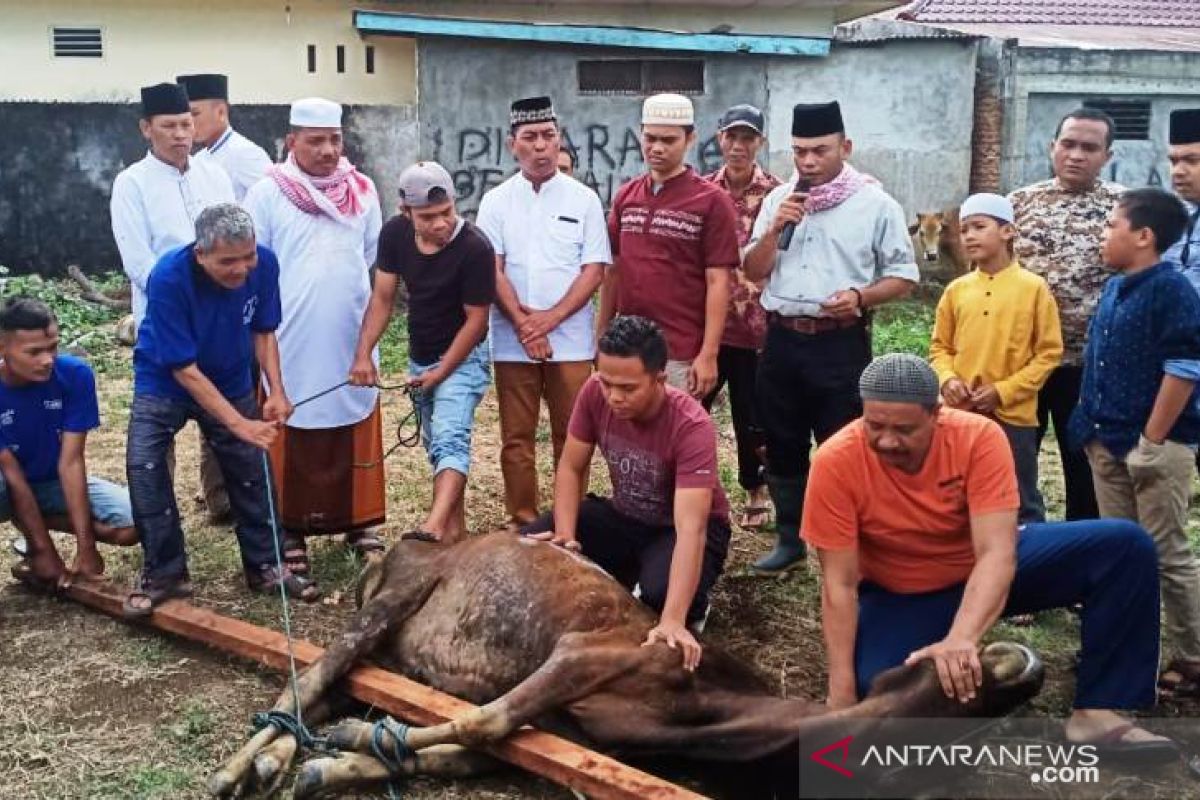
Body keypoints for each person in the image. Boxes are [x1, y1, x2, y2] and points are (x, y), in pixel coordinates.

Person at [805, 353, 1176, 757]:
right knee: (878, 692)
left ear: (936, 414)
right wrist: (840, 698)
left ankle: (1097, 712)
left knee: (1125, 546)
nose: (888, 440)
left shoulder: (977, 437)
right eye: (875, 426)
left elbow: (997, 551)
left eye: (904, 429)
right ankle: (981, 673)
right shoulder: (836, 460)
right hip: (904, 590)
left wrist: (961, 638)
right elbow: (839, 584)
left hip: (988, 565)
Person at [742, 101, 918, 574]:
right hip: (782, 340)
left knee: (844, 442)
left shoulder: (875, 204)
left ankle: (847, 544)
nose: (808, 162)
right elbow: (752, 271)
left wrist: (861, 297)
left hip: (839, 343)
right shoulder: (779, 201)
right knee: (781, 440)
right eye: (799, 152)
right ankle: (789, 539)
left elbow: (903, 276)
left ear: (845, 147)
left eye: (819, 151)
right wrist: (775, 227)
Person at [123, 203, 316, 616]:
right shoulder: (169, 277)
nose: (242, 269)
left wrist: (275, 390)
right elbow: (183, 369)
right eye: (228, 262)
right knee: (145, 467)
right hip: (164, 379)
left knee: (251, 471)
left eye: (247, 257)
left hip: (229, 374)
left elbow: (263, 331)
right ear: (201, 253)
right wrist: (239, 424)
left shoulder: (264, 263)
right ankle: (165, 574)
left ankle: (267, 566)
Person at [523, 316, 731, 665]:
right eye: (607, 384)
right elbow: (572, 467)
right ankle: (632, 572)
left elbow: (691, 529)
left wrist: (673, 620)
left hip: (683, 528)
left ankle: (692, 602)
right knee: (531, 548)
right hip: (625, 514)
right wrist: (565, 534)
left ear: (660, 380)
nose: (614, 397)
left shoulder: (692, 425)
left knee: (659, 594)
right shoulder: (593, 394)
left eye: (628, 388)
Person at [242, 97, 386, 573]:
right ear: (291, 142)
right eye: (315, 140)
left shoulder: (362, 189)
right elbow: (254, 265)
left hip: (350, 329)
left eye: (334, 139)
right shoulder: (268, 192)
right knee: (292, 414)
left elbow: (370, 257)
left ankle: (360, 521)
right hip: (290, 333)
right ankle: (291, 527)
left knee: (354, 409)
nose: (327, 150)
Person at [1069, 188, 1200, 698]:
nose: (1102, 235)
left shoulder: (1171, 291)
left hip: (1154, 449)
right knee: (1121, 554)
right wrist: (1089, 430)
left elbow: (1185, 368)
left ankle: (1191, 659)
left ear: (1144, 236)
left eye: (1110, 226)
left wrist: (1152, 441)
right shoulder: (1115, 287)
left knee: (1166, 552)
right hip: (1106, 441)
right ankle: (1123, 651)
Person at [476, 97, 610, 529]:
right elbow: (491, 268)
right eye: (530, 137)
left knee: (572, 434)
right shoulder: (495, 201)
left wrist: (547, 321)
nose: (541, 146)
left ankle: (568, 520)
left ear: (559, 140)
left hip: (569, 341)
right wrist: (523, 324)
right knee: (516, 438)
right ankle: (523, 520)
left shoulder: (584, 199)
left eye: (548, 136)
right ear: (512, 144)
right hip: (512, 341)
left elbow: (595, 270)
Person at [110, 82, 236, 524]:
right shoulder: (131, 184)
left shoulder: (214, 175)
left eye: (186, 123)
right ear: (147, 128)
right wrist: (189, 296)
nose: (181, 134)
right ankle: (157, 516)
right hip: (163, 323)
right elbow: (139, 264)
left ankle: (223, 501)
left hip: (217, 320)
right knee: (156, 427)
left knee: (221, 414)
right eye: (169, 126)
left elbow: (234, 243)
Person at [350, 161, 495, 543]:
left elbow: (476, 321)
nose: (441, 224)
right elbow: (382, 298)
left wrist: (443, 372)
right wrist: (363, 353)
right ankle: (455, 534)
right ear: (406, 212)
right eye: (428, 217)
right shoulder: (394, 235)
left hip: (464, 356)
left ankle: (433, 527)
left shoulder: (475, 247)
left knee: (450, 438)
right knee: (438, 448)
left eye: (446, 212)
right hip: (420, 352)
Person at [1009, 108, 1124, 522]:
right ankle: (1021, 549)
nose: (1076, 155)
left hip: (1092, 365)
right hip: (1024, 363)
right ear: (1051, 147)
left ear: (1107, 156)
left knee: (1086, 467)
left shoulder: (1124, 208)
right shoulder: (1018, 204)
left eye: (1089, 148)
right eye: (1068, 144)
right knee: (1015, 463)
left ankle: (1082, 554)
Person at [930, 193, 1062, 523]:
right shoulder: (957, 290)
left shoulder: (1033, 288)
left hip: (1012, 415)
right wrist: (948, 380)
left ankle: (1028, 567)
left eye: (979, 227)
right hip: (961, 412)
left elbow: (1048, 353)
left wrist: (1003, 391)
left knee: (1020, 498)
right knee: (957, 492)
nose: (969, 236)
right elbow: (939, 348)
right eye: (964, 230)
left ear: (1007, 232)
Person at [599, 93, 739, 398]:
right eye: (650, 138)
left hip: (681, 350)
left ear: (690, 139)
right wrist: (600, 338)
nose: (657, 148)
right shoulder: (626, 196)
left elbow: (719, 281)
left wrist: (708, 354)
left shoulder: (712, 201)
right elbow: (613, 271)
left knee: (675, 438)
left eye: (668, 140)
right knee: (627, 438)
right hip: (627, 348)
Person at [0, 299, 136, 590]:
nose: (48, 359)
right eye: (34, 352)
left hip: (50, 482)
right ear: (3, 350)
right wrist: (43, 550)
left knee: (133, 523)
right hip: (6, 486)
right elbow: (12, 476)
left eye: (52, 347)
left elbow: (71, 462)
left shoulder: (74, 375)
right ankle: (31, 537)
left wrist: (86, 548)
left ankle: (33, 525)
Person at [702, 103, 781, 531]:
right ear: (719, 140)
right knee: (693, 407)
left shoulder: (778, 194)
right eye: (731, 137)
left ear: (760, 144)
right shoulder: (700, 191)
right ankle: (694, 486)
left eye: (747, 138)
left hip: (757, 327)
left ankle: (756, 488)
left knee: (752, 415)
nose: (738, 146)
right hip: (709, 325)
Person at [176, 73, 272, 201]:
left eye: (195, 114)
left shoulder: (245, 154)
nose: (188, 122)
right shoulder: (199, 158)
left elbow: (272, 203)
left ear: (221, 112)